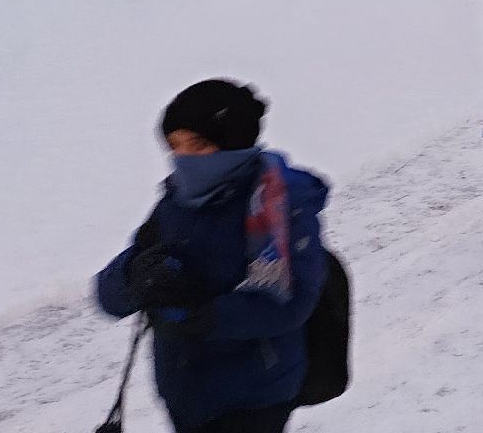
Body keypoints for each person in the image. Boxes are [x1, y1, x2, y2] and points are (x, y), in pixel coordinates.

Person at [94, 79, 330, 433]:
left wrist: (198, 315)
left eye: (198, 145)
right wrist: (134, 276)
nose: (183, 158)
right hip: (184, 388)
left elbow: (287, 302)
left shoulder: (278, 205)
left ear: (233, 143)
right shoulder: (175, 202)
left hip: (254, 393)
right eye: (174, 146)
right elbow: (111, 295)